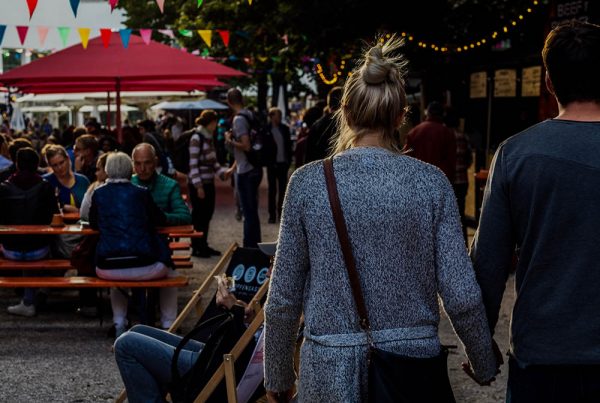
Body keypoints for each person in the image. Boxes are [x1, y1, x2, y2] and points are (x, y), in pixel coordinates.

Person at [263, 37, 499, 402]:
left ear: (345, 112)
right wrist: (483, 361)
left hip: (329, 369)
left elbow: (283, 298)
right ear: (401, 116)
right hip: (411, 370)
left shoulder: (308, 184)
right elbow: (461, 293)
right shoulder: (431, 183)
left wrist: (278, 376)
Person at [471, 20, 600, 402]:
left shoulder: (516, 155)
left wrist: (480, 347)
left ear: (548, 81)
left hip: (541, 355)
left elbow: (488, 263)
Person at [89, 152, 176, 337]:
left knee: (117, 282)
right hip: (144, 263)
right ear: (130, 170)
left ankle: (119, 322)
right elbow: (159, 219)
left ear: (108, 170)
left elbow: (93, 223)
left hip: (107, 266)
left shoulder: (98, 194)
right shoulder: (141, 193)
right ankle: (168, 324)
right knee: (170, 270)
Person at [0, 147, 59, 317]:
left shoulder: (4, 187)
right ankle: (32, 297)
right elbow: (55, 217)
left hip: (10, 249)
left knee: (24, 246)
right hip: (39, 249)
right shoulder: (45, 187)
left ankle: (29, 300)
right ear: (36, 165)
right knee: (37, 247)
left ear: (17, 164)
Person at [224, 88, 262, 248]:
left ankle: (249, 247)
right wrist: (233, 167)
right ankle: (255, 245)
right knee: (252, 211)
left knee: (248, 212)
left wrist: (229, 140)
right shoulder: (250, 114)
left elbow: (245, 146)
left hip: (246, 171)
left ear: (229, 102)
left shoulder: (239, 119)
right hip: (254, 167)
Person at [188, 109, 228, 258]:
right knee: (199, 215)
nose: (216, 125)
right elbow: (193, 164)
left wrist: (223, 174)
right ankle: (197, 246)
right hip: (199, 184)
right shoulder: (197, 138)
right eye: (215, 122)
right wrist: (198, 186)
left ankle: (203, 244)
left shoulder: (208, 137)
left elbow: (213, 162)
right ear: (210, 122)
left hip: (208, 182)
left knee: (207, 214)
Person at [130, 143, 192, 226]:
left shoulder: (170, 185)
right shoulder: (128, 184)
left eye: (147, 163)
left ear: (155, 162)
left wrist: (161, 217)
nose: (142, 168)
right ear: (133, 164)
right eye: (138, 163)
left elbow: (185, 217)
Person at [406, 101, 457, 181]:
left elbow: (408, 160)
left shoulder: (413, 132)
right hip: (440, 180)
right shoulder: (447, 133)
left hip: (419, 180)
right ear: (442, 115)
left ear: (427, 114)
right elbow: (451, 161)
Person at [445, 108, 472, 242]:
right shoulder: (463, 136)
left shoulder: (445, 136)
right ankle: (463, 242)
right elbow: (469, 159)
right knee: (460, 213)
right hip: (462, 180)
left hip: (449, 179)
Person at [43, 144, 90, 214]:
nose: (59, 168)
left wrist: (78, 211)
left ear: (68, 159)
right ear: (50, 166)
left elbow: (91, 207)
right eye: (55, 165)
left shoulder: (83, 181)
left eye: (62, 162)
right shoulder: (45, 182)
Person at [266, 107, 292, 224]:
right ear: (271, 116)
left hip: (282, 164)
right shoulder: (266, 129)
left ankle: (280, 213)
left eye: (280, 115)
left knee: (282, 190)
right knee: (272, 190)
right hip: (272, 164)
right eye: (277, 115)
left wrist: (288, 161)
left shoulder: (284, 129)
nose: (279, 118)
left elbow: (288, 146)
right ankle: (271, 215)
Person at [304, 87, 342, 163]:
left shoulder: (316, 125)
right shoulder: (349, 125)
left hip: (319, 166)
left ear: (329, 103)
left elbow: (308, 156)